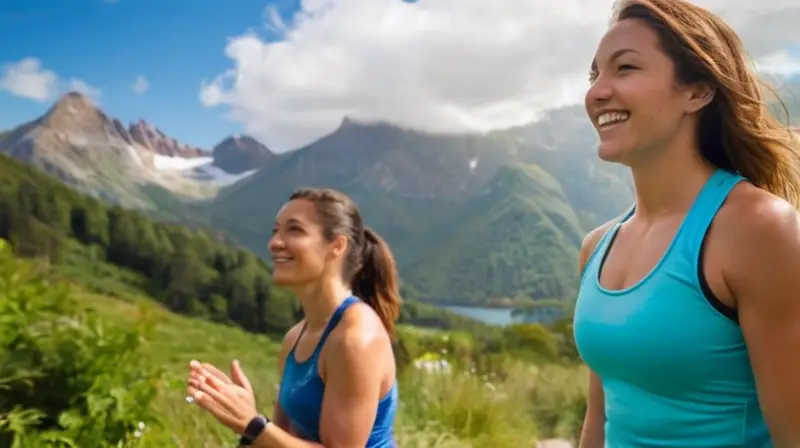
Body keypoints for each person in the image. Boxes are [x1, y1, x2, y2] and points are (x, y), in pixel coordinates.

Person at [573, 0, 800, 446]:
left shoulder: (758, 229)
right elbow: (597, 422)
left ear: (697, 92)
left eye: (625, 68)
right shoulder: (597, 246)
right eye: (594, 74)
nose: (598, 92)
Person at [186, 187, 402, 447]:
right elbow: (280, 440)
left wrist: (252, 424)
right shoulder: (295, 337)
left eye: (294, 230)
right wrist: (242, 414)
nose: (275, 242)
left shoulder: (355, 339)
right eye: (275, 230)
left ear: (336, 246)